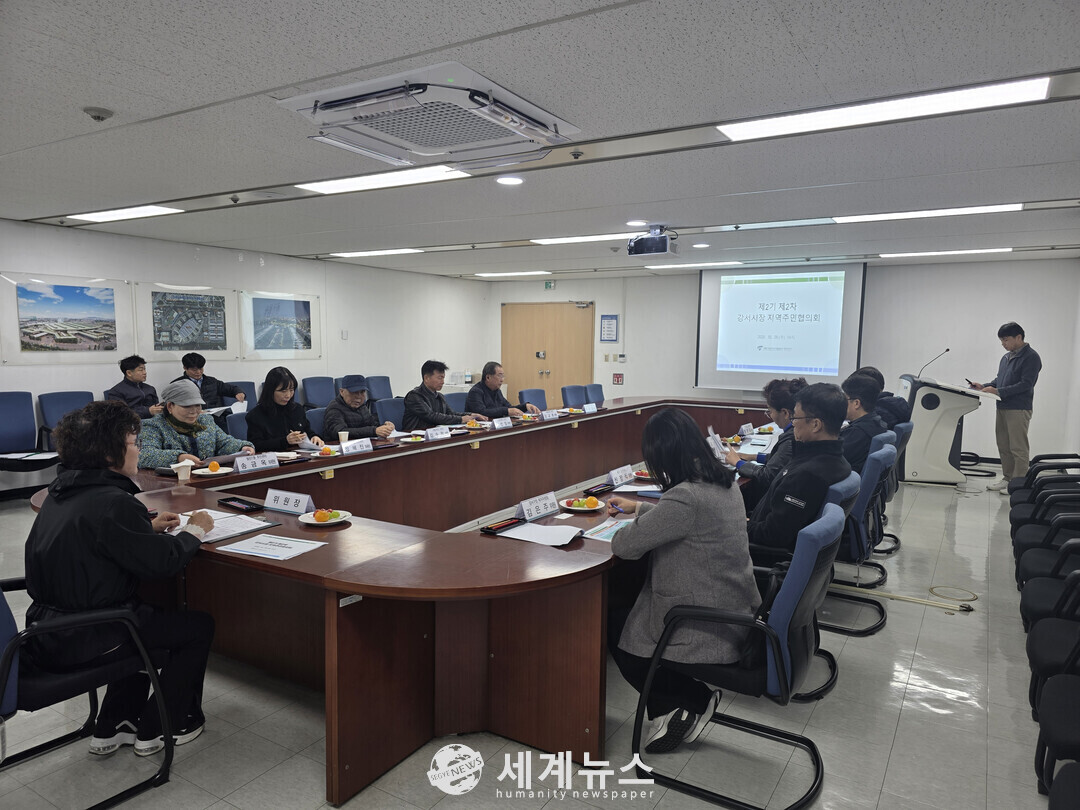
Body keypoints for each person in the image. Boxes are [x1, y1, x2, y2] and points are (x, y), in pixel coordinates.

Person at [24, 400, 216, 756]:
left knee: (145, 615)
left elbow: (92, 540)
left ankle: (116, 723)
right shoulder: (115, 502)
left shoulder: (61, 493)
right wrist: (195, 530)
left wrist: (144, 528)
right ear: (109, 452)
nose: (138, 449)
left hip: (46, 631)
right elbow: (164, 563)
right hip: (93, 635)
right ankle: (166, 725)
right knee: (196, 626)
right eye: (133, 442)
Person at [605, 408, 760, 754]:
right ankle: (677, 707)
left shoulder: (685, 496)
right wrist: (638, 508)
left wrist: (633, 521)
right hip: (733, 603)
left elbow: (624, 546)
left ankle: (692, 700)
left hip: (702, 620)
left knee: (620, 634)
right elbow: (684, 518)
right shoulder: (721, 480)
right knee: (628, 614)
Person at [747, 383, 851, 566]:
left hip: (761, 558)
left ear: (816, 424)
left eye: (795, 417)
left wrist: (737, 523)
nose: (792, 422)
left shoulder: (807, 475)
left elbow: (772, 535)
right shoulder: (836, 460)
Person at [970, 322, 1042, 492]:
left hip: (1018, 408)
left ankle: (1019, 484)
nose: (1003, 343)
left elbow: (1026, 384)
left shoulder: (1031, 357)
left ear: (1019, 337)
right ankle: (1008, 478)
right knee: (1004, 445)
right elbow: (1000, 380)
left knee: (1018, 448)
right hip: (1002, 406)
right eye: (1001, 340)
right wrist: (983, 386)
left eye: (1006, 339)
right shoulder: (1006, 357)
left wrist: (998, 391)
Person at [723, 377, 807, 512]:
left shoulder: (792, 437)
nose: (770, 415)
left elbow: (767, 476)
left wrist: (738, 463)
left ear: (785, 413)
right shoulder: (797, 433)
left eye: (770, 411)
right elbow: (782, 460)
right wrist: (752, 457)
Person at [138, 379, 255, 467]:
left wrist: (242, 447)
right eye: (187, 406)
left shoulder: (205, 421)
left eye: (197, 405)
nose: (194, 411)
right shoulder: (153, 426)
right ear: (170, 406)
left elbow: (224, 442)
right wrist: (179, 457)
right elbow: (145, 455)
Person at [245, 366, 325, 452]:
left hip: (301, 455)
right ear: (270, 391)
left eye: (291, 390)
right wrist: (285, 441)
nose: (288, 395)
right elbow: (256, 445)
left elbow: (307, 431)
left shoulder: (297, 409)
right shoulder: (255, 415)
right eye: (283, 391)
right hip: (274, 457)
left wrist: (314, 437)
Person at [403, 359, 482, 430]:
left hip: (436, 434)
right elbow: (431, 416)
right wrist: (461, 419)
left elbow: (451, 414)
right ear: (426, 378)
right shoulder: (414, 396)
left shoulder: (439, 396)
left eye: (443, 378)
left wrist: (471, 415)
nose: (443, 382)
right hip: (414, 437)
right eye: (439, 378)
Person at [839, 373, 889, 472]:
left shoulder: (858, 432)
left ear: (856, 403)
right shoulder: (876, 421)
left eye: (844, 399)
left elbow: (830, 460)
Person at [324, 375, 395, 440]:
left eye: (362, 392)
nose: (358, 397)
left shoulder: (362, 406)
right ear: (342, 392)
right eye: (354, 392)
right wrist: (373, 431)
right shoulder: (334, 408)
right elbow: (340, 432)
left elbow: (372, 424)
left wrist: (385, 427)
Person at [464, 361, 541, 419]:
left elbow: (509, 408)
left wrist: (525, 406)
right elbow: (482, 412)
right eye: (499, 376)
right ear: (488, 377)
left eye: (503, 376)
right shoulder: (475, 392)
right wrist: (507, 411)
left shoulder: (497, 391)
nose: (502, 380)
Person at [172, 353, 245, 409]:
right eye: (194, 370)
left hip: (215, 418)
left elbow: (231, 389)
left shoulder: (212, 381)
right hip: (192, 418)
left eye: (201, 368)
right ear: (185, 368)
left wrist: (238, 392)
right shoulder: (177, 385)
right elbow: (172, 406)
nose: (198, 372)